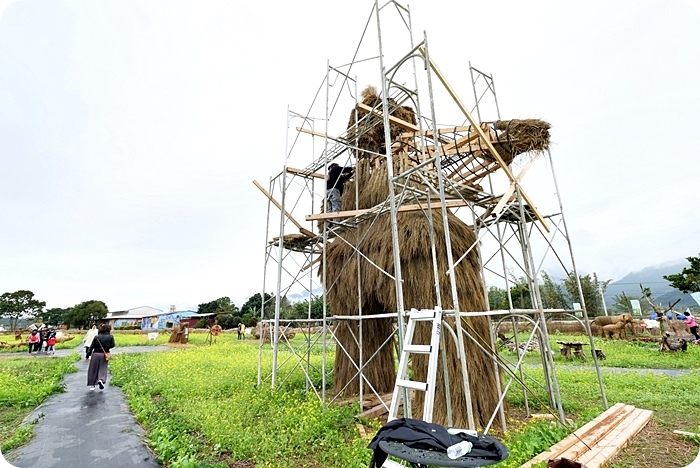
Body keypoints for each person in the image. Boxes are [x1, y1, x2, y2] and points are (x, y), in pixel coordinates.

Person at [86, 323, 115, 391]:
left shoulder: (97, 337)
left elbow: (91, 347)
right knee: (103, 368)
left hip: (95, 354)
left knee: (93, 369)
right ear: (108, 329)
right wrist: (107, 347)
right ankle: (101, 380)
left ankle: (92, 385)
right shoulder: (111, 336)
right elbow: (113, 345)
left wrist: (88, 355)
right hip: (104, 354)